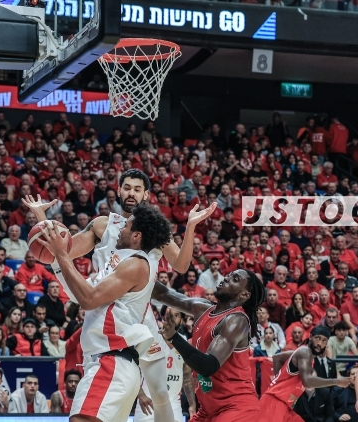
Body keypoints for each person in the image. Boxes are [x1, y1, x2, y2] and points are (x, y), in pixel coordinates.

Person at [24, 168, 216, 422]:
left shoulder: (149, 233)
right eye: (127, 187)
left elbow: (181, 265)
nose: (131, 193)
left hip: (132, 317)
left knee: (160, 391)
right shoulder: (104, 225)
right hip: (103, 303)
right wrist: (42, 221)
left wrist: (190, 227)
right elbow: (63, 251)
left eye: (137, 189)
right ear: (119, 190)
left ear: (146, 195)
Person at [39, 203, 173, 422]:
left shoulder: (136, 265)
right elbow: (79, 293)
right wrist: (56, 256)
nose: (120, 228)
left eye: (126, 226)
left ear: (137, 236)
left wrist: (61, 254)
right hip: (112, 364)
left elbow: (88, 299)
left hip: (111, 362)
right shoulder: (121, 263)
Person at [153, 269, 265, 421]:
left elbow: (208, 366)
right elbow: (162, 294)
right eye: (229, 275)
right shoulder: (202, 308)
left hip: (236, 408)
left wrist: (174, 337)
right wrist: (142, 267)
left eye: (235, 279)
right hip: (208, 409)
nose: (227, 278)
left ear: (244, 295)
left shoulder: (236, 320)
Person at [258, 326, 350, 422]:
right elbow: (307, 381)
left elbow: (277, 357)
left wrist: (279, 379)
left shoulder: (307, 356)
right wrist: (336, 381)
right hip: (275, 402)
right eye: (317, 338)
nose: (319, 343)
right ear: (310, 337)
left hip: (286, 405)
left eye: (324, 341)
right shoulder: (304, 351)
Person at [134, 307, 196, 422]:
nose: (172, 318)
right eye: (169, 314)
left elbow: (187, 377)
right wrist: (140, 393)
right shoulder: (149, 339)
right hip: (148, 402)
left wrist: (192, 405)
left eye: (176, 315)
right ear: (163, 317)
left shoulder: (185, 343)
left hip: (173, 403)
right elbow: (133, 368)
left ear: (181, 319)